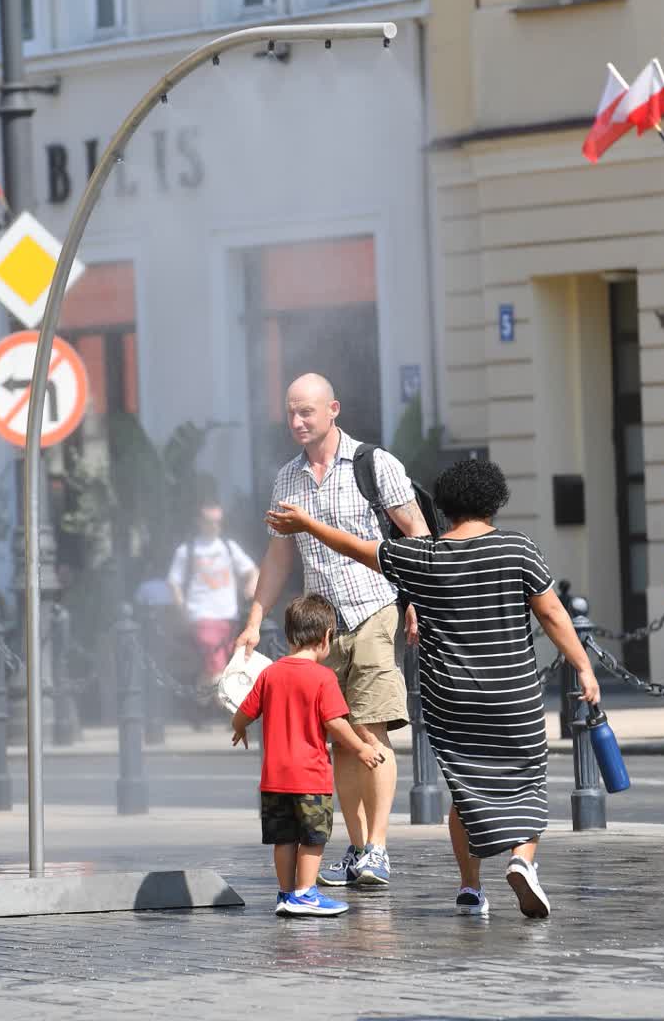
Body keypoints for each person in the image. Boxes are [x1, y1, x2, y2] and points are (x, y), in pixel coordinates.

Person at [267, 458, 601, 920]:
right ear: (495, 502)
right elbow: (553, 614)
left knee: (465, 790)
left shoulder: (423, 557)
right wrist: (583, 666)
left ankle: (470, 888)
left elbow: (358, 548)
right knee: (527, 781)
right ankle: (522, 859)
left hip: (450, 697)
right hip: (514, 691)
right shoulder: (518, 550)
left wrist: (307, 523)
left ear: (443, 508)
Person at [236, 373, 431, 889]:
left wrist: (418, 602)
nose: (297, 421)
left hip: (374, 607)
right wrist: (254, 621)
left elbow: (416, 534)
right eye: (290, 412)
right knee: (341, 740)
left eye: (307, 412)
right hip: (324, 626)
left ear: (334, 409)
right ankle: (361, 846)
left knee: (372, 727)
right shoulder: (288, 479)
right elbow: (279, 556)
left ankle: (381, 848)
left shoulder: (374, 464)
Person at [230, 594, 385, 918]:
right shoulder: (323, 678)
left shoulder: (270, 674)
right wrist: (362, 749)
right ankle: (305, 894)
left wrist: (240, 728)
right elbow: (335, 723)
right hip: (309, 777)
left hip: (273, 779)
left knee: (284, 838)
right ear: (327, 637)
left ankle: (286, 894)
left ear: (289, 636)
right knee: (313, 838)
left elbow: (243, 713)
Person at [168, 499, 259, 699]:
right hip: (201, 615)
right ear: (200, 522)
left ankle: (199, 703)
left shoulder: (228, 547)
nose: (215, 525)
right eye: (210, 521)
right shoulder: (187, 550)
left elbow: (252, 570)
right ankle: (231, 708)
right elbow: (174, 582)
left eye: (219, 521)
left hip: (228, 615)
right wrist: (183, 609)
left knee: (214, 665)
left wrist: (250, 585)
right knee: (216, 663)